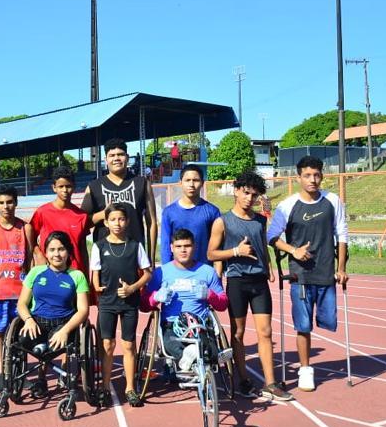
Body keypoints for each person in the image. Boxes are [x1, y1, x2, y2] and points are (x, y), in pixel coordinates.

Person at [208, 169, 292, 401]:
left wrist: (270, 269)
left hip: (259, 282)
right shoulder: (222, 221)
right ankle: (243, 379)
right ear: (236, 191)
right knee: (239, 333)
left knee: (266, 331)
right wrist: (236, 251)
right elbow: (211, 253)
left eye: (254, 195)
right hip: (237, 281)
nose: (249, 198)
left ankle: (271, 383)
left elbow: (262, 247)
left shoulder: (259, 221)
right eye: (245, 193)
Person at [267, 155, 349, 392]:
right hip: (299, 276)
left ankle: (309, 367)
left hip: (326, 274)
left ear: (322, 175)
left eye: (317, 175)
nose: (313, 180)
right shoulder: (287, 205)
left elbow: (342, 235)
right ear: (298, 177)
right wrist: (293, 250)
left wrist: (341, 268)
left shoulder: (333, 201)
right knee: (303, 325)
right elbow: (271, 236)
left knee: (328, 321)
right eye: (307, 175)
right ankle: (305, 370)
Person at [91, 204, 152, 407]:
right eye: (113, 219)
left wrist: (132, 288)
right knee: (107, 345)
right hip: (107, 302)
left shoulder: (135, 246)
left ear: (127, 222)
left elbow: (147, 273)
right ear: (106, 223)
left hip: (129, 303)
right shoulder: (99, 246)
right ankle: (105, 387)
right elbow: (95, 273)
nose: (117, 223)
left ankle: (130, 388)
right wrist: (97, 286)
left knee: (128, 345)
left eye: (121, 219)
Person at [144, 228, 229, 371]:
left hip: (199, 323)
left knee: (208, 347)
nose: (183, 250)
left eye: (187, 246)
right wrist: (156, 297)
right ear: (171, 248)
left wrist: (209, 295)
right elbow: (143, 305)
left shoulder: (207, 272)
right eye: (178, 246)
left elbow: (223, 304)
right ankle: (191, 355)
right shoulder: (161, 273)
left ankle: (203, 355)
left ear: (194, 247)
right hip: (172, 324)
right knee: (172, 343)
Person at [16, 231, 90, 394]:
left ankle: (62, 377)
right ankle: (40, 379)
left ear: (68, 251)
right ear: (46, 252)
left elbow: (83, 310)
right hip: (37, 322)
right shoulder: (36, 272)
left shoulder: (77, 276)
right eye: (52, 249)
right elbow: (21, 303)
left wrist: (65, 331)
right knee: (22, 340)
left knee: (54, 345)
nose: (56, 254)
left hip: (63, 324)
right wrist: (28, 320)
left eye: (61, 249)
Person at [0, 185, 34, 393]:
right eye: (1, 202)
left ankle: (20, 373)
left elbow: (29, 262)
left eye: (9, 202)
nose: (6, 206)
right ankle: (3, 374)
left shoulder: (25, 228)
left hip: (20, 293)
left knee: (21, 335)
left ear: (16, 203)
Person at [81, 138, 159, 265]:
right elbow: (83, 223)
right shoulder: (93, 186)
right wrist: (103, 214)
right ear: (105, 160)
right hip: (105, 258)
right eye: (111, 155)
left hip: (135, 256)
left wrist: (151, 258)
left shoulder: (142, 183)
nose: (116, 158)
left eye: (120, 154)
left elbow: (152, 222)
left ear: (127, 157)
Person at [30, 166, 90, 273]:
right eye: (61, 186)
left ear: (74, 186)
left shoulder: (81, 215)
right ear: (54, 187)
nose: (65, 190)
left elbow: (83, 249)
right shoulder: (42, 212)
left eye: (68, 186)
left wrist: (85, 274)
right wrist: (39, 255)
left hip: (74, 272)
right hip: (50, 270)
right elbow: (30, 238)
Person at [159, 163, 220, 267]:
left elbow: (218, 246)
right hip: (178, 272)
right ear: (180, 183)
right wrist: (167, 271)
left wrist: (217, 272)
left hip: (204, 271)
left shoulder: (212, 211)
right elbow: (165, 246)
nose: (191, 184)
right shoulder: (169, 212)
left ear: (202, 183)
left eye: (195, 180)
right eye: (187, 180)